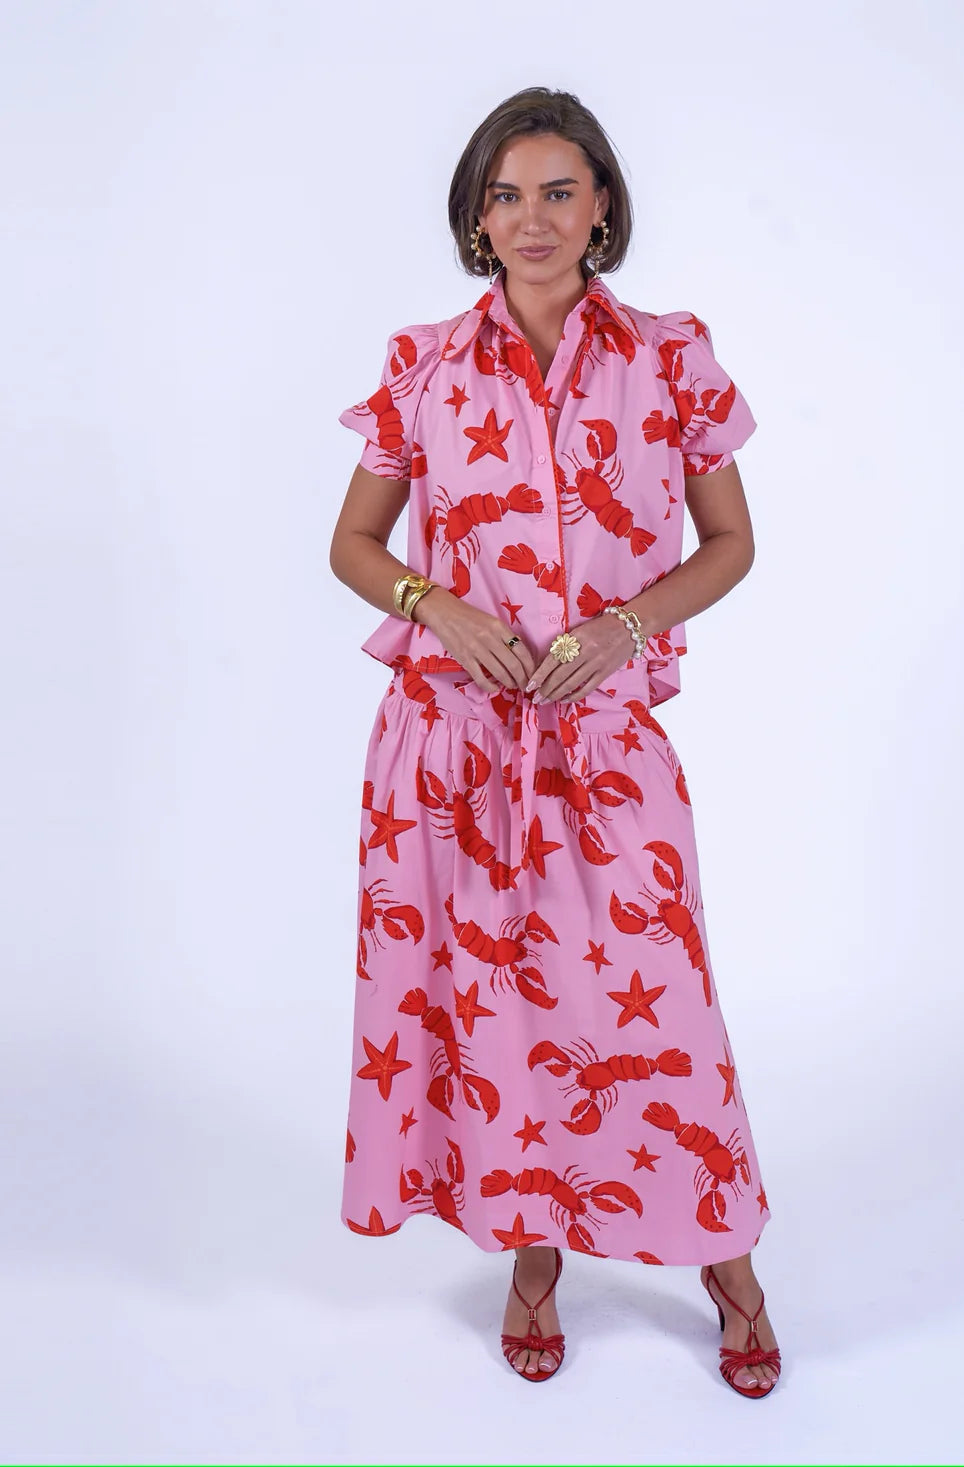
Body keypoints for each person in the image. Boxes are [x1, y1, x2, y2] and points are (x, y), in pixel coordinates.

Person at [328, 86, 781, 1398]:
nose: (532, 218)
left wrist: (627, 626)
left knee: (663, 1009)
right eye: (506, 195)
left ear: (602, 208)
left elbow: (732, 542)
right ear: (477, 217)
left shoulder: (670, 360)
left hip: (604, 747)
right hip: (447, 753)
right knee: (496, 1015)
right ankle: (534, 1255)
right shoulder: (424, 366)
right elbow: (353, 544)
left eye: (559, 192)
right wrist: (439, 604)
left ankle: (730, 1266)